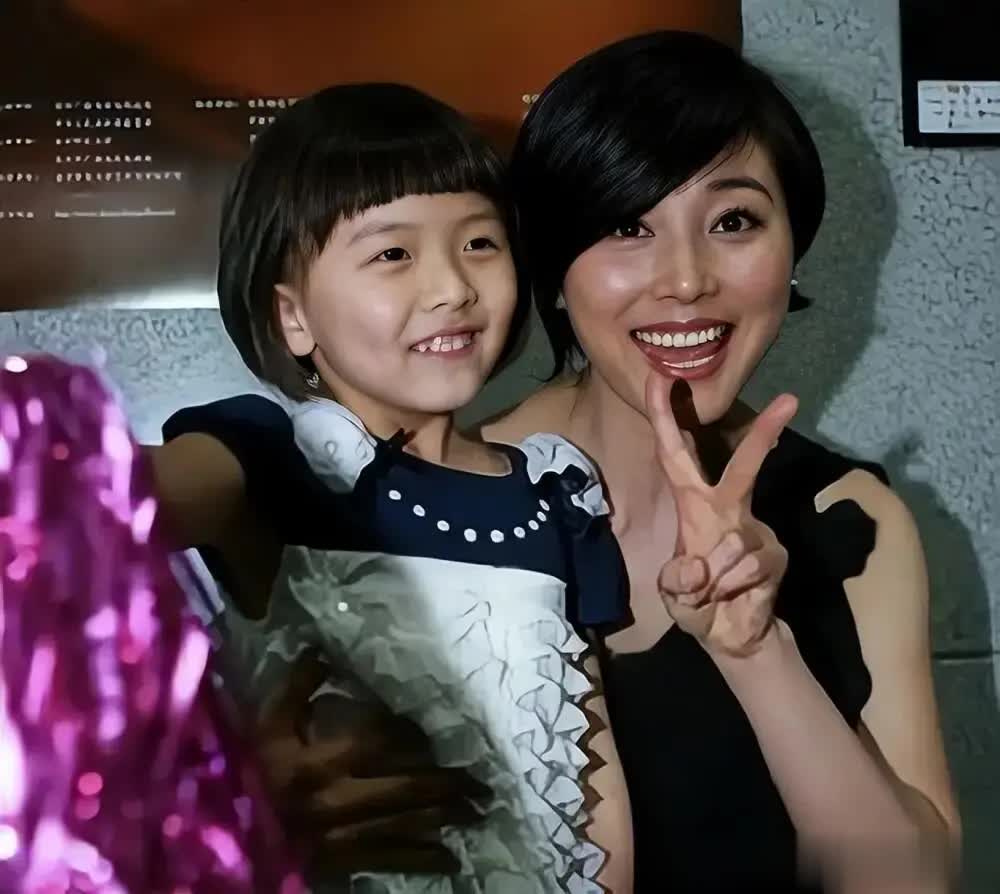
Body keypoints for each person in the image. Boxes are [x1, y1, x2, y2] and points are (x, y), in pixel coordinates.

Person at [476, 29, 959, 893]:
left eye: (733, 221)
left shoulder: (851, 521)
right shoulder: (437, 501)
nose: (687, 279)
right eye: (627, 225)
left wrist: (758, 651)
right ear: (551, 264)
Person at [149, 82, 633, 892]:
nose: (452, 287)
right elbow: (102, 500)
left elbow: (593, 778)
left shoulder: (558, 495)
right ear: (293, 316)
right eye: (393, 254)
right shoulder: (276, 456)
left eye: (480, 243)